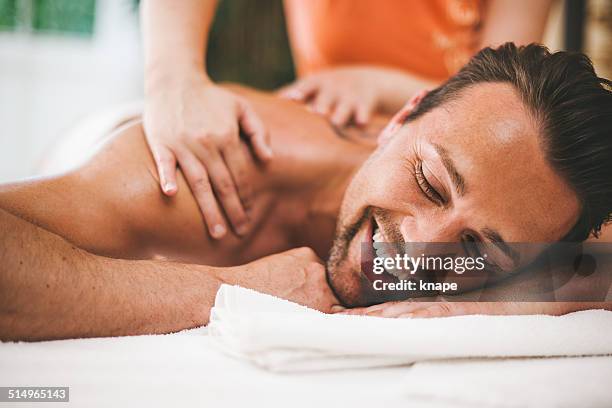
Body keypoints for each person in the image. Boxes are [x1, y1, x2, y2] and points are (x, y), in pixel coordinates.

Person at [1, 44, 611, 341]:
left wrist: (507, 302)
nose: (421, 248)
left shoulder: (531, 203)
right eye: (429, 184)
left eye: (477, 247)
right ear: (399, 119)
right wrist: (233, 290)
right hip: (107, 137)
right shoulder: (202, 173)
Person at [140, 0, 552, 240]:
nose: (419, 246)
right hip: (325, 121)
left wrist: (385, 86)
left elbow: (505, 93)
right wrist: (173, 79)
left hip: (462, 156)